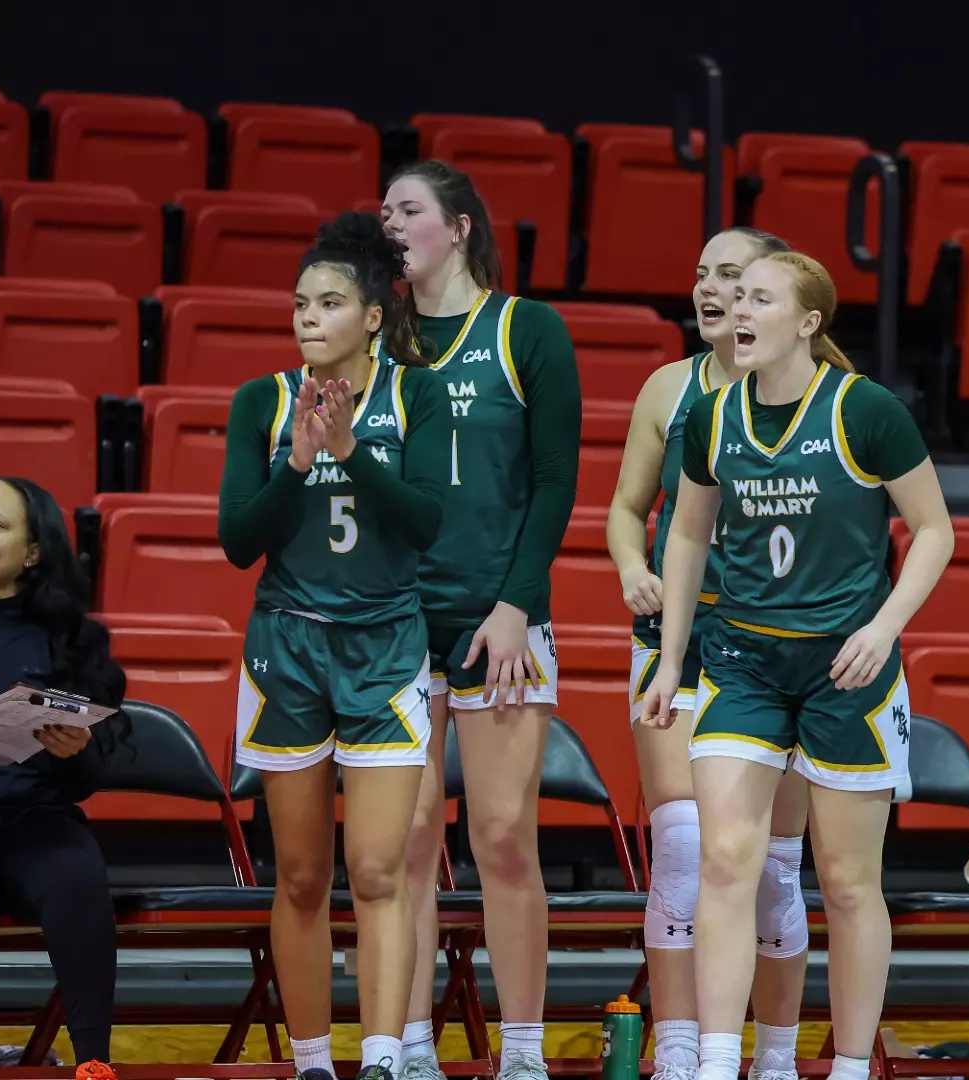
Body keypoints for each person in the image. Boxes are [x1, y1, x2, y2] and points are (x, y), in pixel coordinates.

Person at [640, 251, 953, 1080]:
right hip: (742, 659)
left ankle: (849, 1065)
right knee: (724, 860)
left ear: (808, 322)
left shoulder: (866, 409)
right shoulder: (711, 414)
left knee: (847, 883)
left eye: (760, 298)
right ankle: (718, 1061)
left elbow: (935, 530)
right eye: (735, 295)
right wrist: (670, 659)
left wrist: (885, 628)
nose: (739, 309)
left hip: (845, 665)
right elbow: (685, 535)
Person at [218, 212, 452, 1080]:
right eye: (299, 304)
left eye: (328, 303)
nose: (308, 318)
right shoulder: (263, 401)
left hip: (385, 647)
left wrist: (350, 453)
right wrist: (296, 464)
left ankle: (383, 1058)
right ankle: (314, 1062)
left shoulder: (417, 397)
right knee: (303, 876)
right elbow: (239, 541)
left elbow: (426, 524)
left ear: (373, 316)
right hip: (288, 647)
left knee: (380, 871)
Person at [379, 161, 580, 1080]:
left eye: (409, 209)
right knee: (408, 842)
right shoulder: (379, 335)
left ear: (460, 227)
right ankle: (411, 1045)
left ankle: (524, 1051)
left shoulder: (525, 328)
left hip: (499, 618)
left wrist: (514, 604)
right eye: (384, 211)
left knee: (501, 837)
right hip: (395, 621)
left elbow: (555, 480)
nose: (391, 223)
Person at [607, 227, 814, 1080]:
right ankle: (683, 1049)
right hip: (679, 643)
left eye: (732, 276)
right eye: (702, 274)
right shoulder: (670, 387)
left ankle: (775, 1057)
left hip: (780, 651)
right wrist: (633, 568)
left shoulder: (827, 399)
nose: (709, 289)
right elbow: (627, 509)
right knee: (686, 853)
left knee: (773, 872)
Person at [0, 477, 125, 1080]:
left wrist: (75, 750)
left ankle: (94, 1060)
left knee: (76, 871)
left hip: (35, 814)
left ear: (32, 552)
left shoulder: (73, 639)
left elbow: (87, 780)